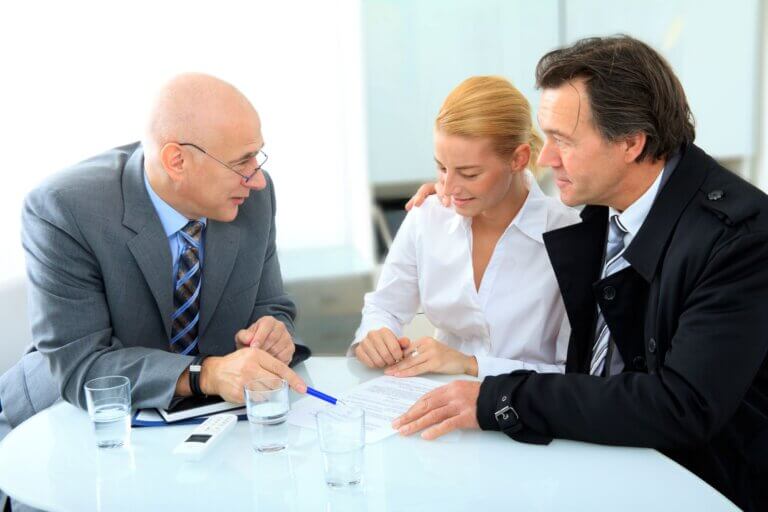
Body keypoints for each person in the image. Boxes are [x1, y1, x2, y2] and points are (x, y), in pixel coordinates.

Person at [395, 36, 768, 511]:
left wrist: (500, 398)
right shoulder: (605, 203)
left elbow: (682, 405)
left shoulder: (739, 237)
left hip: (703, 487)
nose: (546, 157)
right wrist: (458, 191)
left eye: (563, 141)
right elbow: (524, 199)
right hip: (597, 462)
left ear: (632, 142)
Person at [10, 73, 308, 417]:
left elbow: (272, 306)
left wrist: (273, 333)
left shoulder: (252, 198)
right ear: (176, 161)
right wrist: (204, 373)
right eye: (241, 161)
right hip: (65, 418)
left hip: (197, 421)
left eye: (257, 156)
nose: (256, 179)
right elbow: (83, 365)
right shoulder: (64, 209)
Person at [351, 76, 579, 380]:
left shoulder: (569, 235)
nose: (449, 186)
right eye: (442, 168)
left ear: (518, 159)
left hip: (530, 414)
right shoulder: (428, 216)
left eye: (469, 173)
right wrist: (376, 335)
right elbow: (385, 308)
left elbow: (574, 376)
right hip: (437, 400)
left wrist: (470, 364)